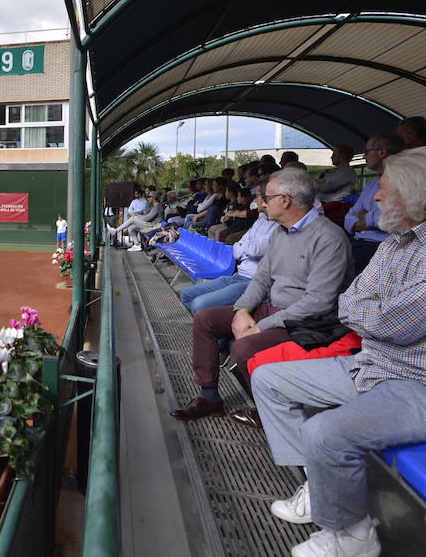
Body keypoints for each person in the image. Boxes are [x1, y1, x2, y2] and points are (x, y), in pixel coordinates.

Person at [252, 151, 426, 557]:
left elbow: (393, 325)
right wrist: (372, 313)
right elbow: (350, 304)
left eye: (382, 189)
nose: (375, 197)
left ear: (411, 195)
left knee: (323, 432)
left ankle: (353, 536)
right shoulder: (396, 243)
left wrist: (370, 313)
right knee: (268, 378)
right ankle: (319, 485)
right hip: (372, 364)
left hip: (414, 382)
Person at [169, 168, 354, 425]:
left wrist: (260, 327)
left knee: (244, 346)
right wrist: (243, 309)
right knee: (205, 318)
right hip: (272, 308)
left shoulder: (329, 238)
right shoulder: (280, 232)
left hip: (308, 323)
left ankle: (268, 410)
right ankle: (209, 397)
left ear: (285, 200)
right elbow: (262, 278)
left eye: (266, 197)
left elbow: (318, 302)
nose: (261, 203)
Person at [181, 180, 278, 313]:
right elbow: (237, 249)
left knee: (198, 305)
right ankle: (212, 323)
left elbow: (254, 250)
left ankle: (216, 324)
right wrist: (244, 247)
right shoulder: (261, 219)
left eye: (259, 195)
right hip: (238, 275)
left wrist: (243, 246)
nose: (255, 198)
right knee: (186, 295)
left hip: (252, 282)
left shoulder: (280, 225)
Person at [344, 132, 404, 273]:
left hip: (382, 247)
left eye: (366, 151)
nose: (364, 156)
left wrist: (365, 217)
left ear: (382, 152)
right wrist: (373, 219)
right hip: (358, 243)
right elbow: (349, 217)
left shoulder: (404, 182)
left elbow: (394, 219)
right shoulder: (371, 184)